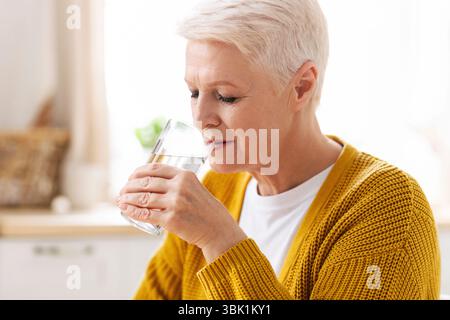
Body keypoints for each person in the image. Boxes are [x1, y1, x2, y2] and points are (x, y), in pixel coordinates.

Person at [117, 0, 440, 299]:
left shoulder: (386, 207)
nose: (201, 118)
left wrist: (220, 240)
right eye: (193, 92)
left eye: (226, 96)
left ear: (301, 87)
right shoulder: (216, 190)